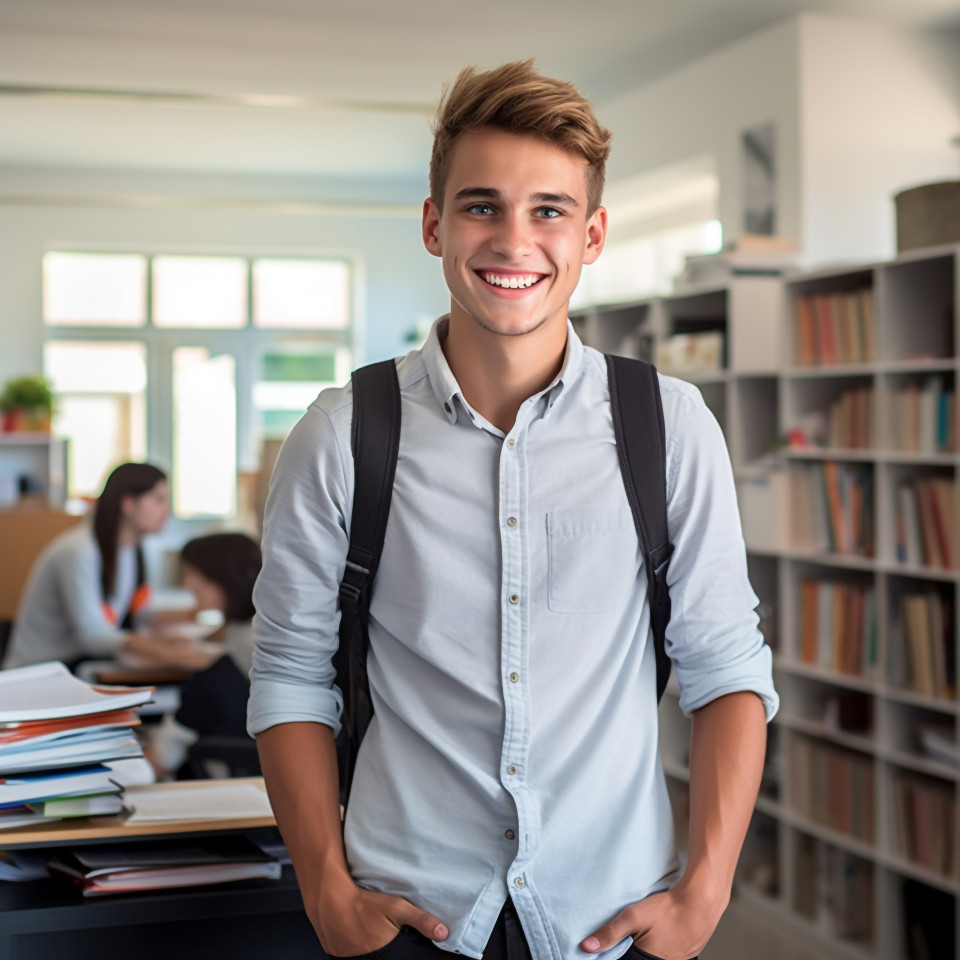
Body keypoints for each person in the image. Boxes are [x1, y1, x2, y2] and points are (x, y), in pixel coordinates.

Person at [249, 60, 779, 960]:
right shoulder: (341, 434)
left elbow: (725, 666)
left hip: (610, 921)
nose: (513, 241)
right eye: (481, 206)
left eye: (549, 210)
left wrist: (705, 892)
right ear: (434, 224)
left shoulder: (668, 426)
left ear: (592, 233)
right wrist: (326, 891)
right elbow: (292, 674)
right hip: (408, 917)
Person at [3, 462, 195, 670]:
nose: (166, 510)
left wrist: (193, 615)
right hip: (43, 671)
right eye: (159, 500)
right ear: (128, 503)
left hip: (77, 666)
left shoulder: (131, 550)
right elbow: (93, 636)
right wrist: (163, 651)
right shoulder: (80, 552)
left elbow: (140, 613)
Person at [146, 532, 262, 780]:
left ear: (221, 577)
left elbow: (157, 764)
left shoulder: (223, 671)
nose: (187, 586)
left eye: (191, 574)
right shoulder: (255, 628)